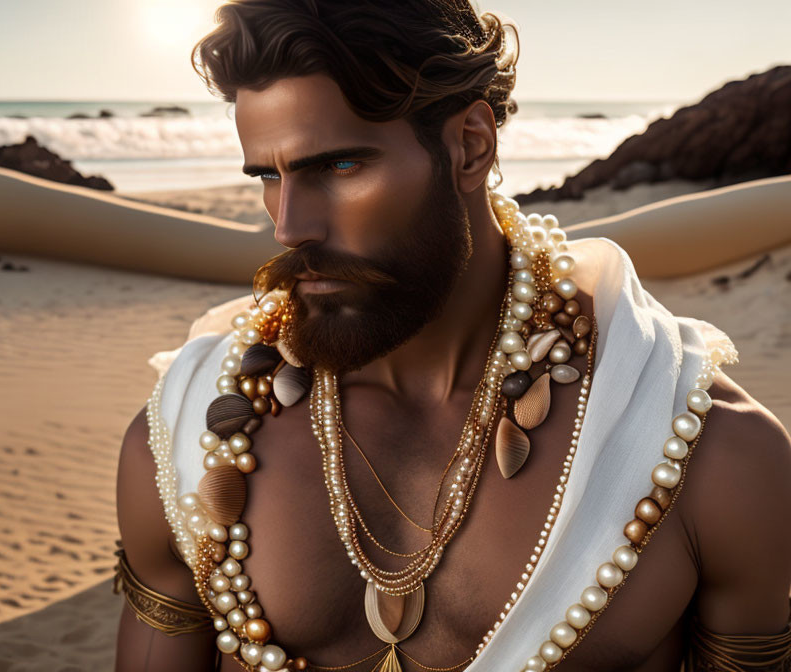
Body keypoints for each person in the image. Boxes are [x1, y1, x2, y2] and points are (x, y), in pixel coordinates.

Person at [113, 1, 791, 671]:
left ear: (471, 144)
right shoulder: (180, 438)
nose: (290, 226)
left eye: (339, 167)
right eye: (268, 174)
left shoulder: (712, 457)